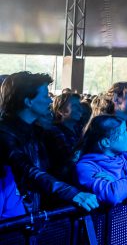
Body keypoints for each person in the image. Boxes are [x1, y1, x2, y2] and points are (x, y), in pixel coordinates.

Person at [0, 72, 99, 213]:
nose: (50, 101)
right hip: (15, 215)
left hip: (36, 209)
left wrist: (95, 174)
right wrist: (71, 193)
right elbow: (27, 170)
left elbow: (58, 168)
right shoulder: (5, 134)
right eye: (45, 96)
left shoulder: (38, 132)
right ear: (28, 102)